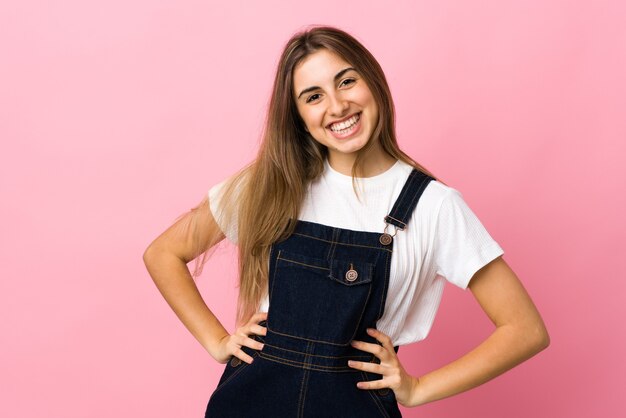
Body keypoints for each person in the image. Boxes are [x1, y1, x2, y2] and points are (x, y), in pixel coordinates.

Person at [143, 26, 549, 417]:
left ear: (373, 82)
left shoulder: (434, 206)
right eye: (313, 96)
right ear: (299, 116)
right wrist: (217, 342)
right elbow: (163, 253)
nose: (336, 107)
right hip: (252, 400)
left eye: (346, 82)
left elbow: (524, 329)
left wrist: (420, 388)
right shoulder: (270, 183)